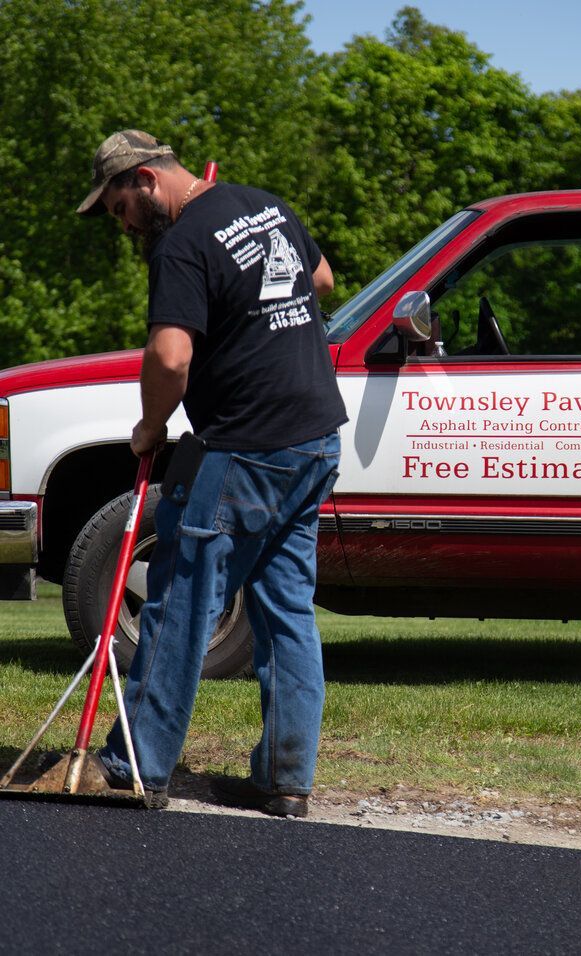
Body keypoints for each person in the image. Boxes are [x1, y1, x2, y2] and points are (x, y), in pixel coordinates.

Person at [77, 129, 347, 815]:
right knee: (287, 610)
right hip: (315, 437)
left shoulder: (181, 243)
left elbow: (169, 358)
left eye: (118, 209)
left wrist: (147, 426)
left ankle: (137, 764)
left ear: (144, 180)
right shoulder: (261, 203)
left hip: (247, 446)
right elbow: (320, 280)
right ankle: (286, 781)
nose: (123, 225)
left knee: (180, 601)